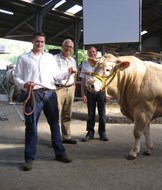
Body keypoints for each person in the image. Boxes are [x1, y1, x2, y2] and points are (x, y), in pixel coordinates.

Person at [13, 32, 76, 171]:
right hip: (33, 94)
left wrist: (68, 72)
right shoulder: (23, 58)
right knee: (31, 126)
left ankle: (60, 153)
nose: (40, 44)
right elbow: (16, 77)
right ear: (32, 41)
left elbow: (57, 75)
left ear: (44, 43)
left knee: (54, 124)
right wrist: (24, 85)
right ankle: (29, 158)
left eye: (42, 42)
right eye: (37, 41)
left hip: (50, 93)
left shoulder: (49, 58)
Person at [79, 46, 108, 142]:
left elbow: (105, 79)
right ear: (87, 53)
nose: (92, 53)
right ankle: (90, 133)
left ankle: (102, 133)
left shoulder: (101, 63)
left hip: (100, 92)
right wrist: (83, 94)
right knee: (90, 114)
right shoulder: (85, 64)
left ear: (96, 52)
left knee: (102, 114)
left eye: (94, 52)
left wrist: (107, 93)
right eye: (90, 52)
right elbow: (83, 80)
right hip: (90, 92)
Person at [54, 39, 77, 145]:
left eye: (70, 47)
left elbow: (75, 74)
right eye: (66, 46)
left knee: (68, 113)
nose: (68, 48)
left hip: (70, 88)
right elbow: (54, 74)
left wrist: (74, 85)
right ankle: (56, 138)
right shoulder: (54, 58)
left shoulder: (73, 60)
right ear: (62, 46)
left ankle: (66, 137)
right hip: (58, 89)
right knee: (56, 113)